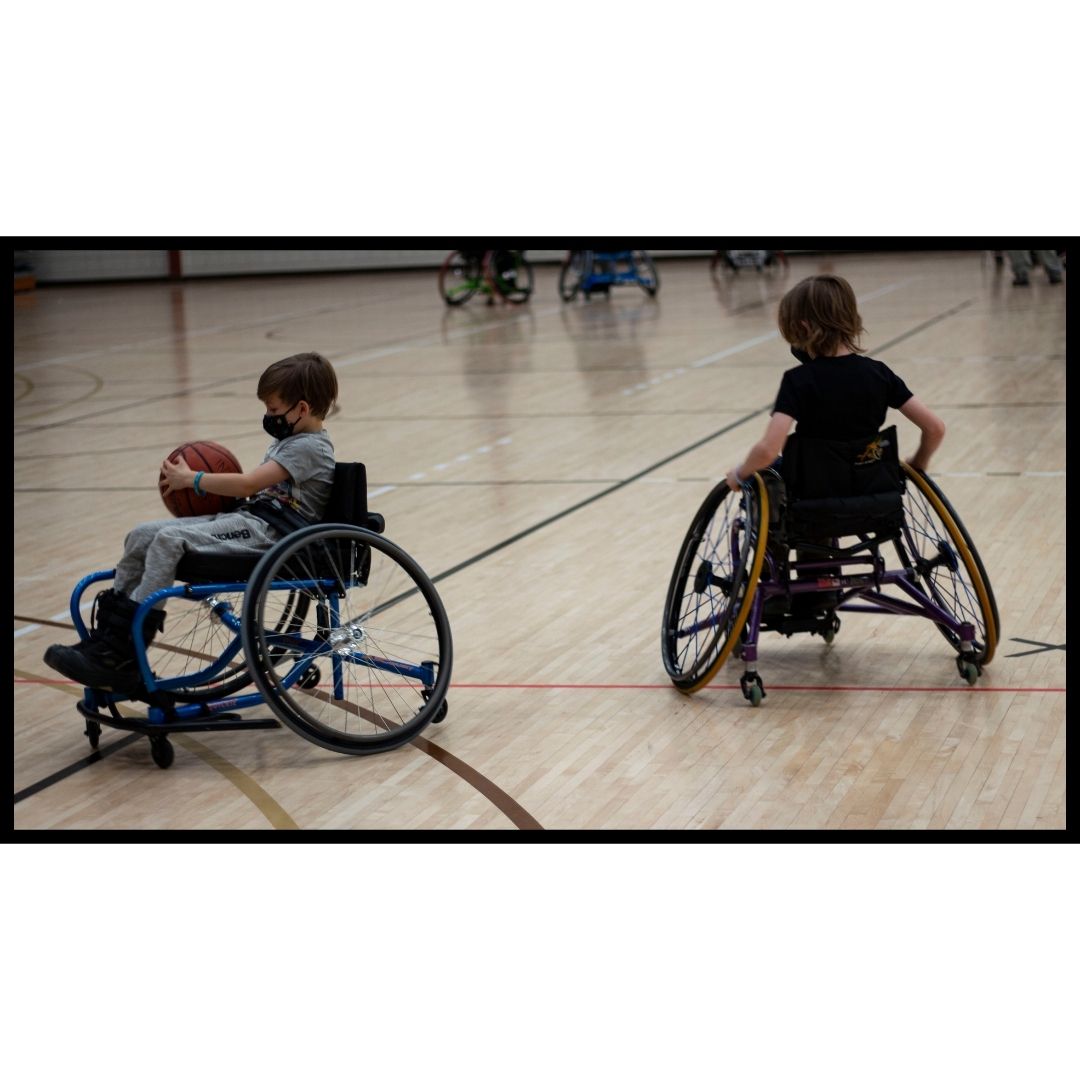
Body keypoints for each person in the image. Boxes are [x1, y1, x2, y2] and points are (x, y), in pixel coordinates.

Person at [44, 351, 339, 693]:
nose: (268, 416)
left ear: (301, 409)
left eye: (273, 410)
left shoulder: (310, 448)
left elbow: (247, 484)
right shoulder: (290, 440)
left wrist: (194, 479)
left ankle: (124, 651)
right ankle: (109, 639)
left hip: (273, 533)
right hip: (252, 518)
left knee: (170, 542)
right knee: (141, 535)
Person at [725, 275, 946, 494]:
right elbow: (935, 428)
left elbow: (768, 451)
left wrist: (739, 474)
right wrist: (918, 463)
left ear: (802, 328)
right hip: (873, 486)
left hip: (813, 489)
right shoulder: (879, 373)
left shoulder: (799, 380)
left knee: (761, 477)